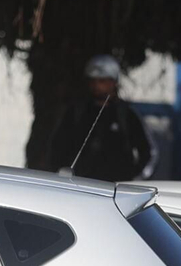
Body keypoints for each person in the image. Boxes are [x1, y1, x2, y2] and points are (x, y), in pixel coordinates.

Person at [46, 54, 155, 182]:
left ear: (114, 82)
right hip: (79, 185)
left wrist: (134, 180)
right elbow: (57, 146)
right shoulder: (76, 112)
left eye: (102, 81)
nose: (96, 85)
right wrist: (61, 175)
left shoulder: (126, 114)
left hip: (116, 188)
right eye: (92, 81)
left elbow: (149, 152)